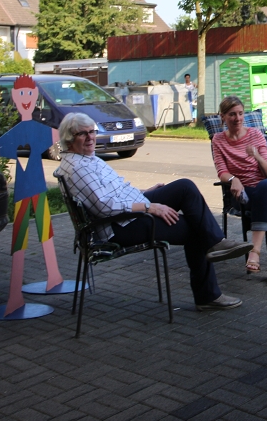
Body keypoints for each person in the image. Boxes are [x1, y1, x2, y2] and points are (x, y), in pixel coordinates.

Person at [55, 112, 253, 311]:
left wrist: (145, 193)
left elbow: (115, 193)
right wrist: (150, 207)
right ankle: (207, 295)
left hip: (128, 211)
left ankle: (216, 242)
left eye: (92, 132)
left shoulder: (86, 159)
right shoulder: (78, 168)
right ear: (69, 139)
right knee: (195, 229)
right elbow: (105, 207)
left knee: (184, 187)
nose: (90, 137)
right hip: (120, 225)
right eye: (83, 134)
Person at [0, 74, 64, 316]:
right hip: (24, 193)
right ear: (14, 97)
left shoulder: (33, 129)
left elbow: (59, 135)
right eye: (21, 94)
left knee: (44, 232)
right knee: (21, 238)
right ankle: (16, 293)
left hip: (37, 190)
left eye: (29, 94)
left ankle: (53, 276)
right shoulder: (20, 131)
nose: (26, 99)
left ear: (35, 96)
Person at [212, 96, 267, 288]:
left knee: (265, 187)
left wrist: (256, 155)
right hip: (246, 193)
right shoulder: (218, 140)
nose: (237, 118)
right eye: (232, 114)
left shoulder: (255, 134)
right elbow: (222, 171)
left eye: (240, 113)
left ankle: (255, 250)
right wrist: (234, 179)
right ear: (223, 117)